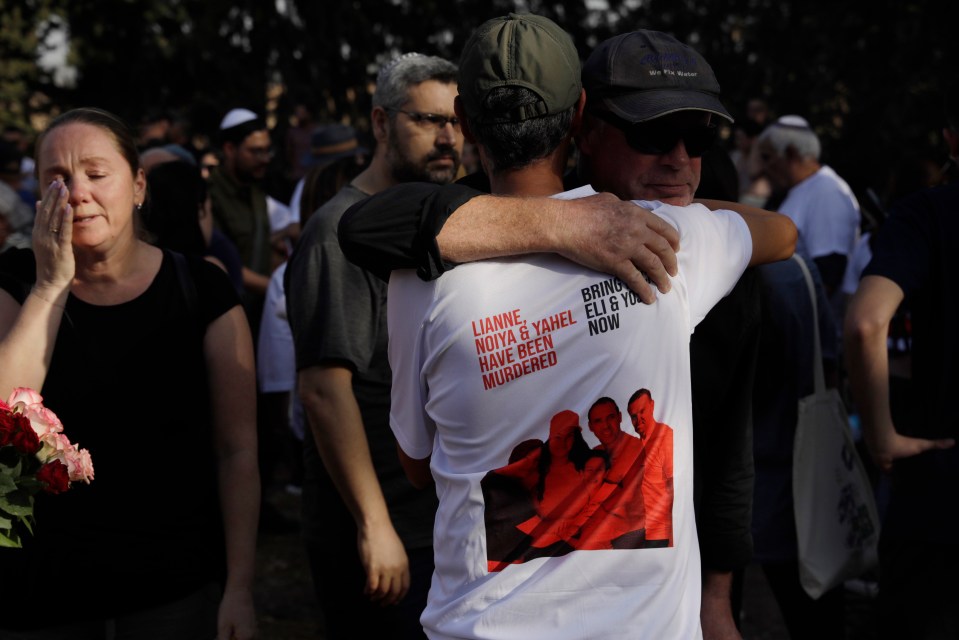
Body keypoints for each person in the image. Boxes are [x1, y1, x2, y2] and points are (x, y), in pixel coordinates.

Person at [339, 27, 766, 639]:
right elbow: (781, 233)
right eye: (651, 136)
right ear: (583, 120)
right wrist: (568, 223)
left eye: (698, 139)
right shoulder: (677, 241)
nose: (678, 159)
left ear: (463, 118)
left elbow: (416, 462)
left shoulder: (419, 277)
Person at [0, 107, 258, 639]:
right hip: (46, 598)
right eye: (56, 178)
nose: (76, 192)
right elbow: (5, 410)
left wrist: (239, 587)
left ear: (138, 185)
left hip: (176, 592)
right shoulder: (15, 282)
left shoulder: (200, 290)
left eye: (96, 174)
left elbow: (238, 451)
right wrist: (50, 287)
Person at [284, 52, 461, 639]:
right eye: (429, 120)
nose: (447, 138)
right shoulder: (339, 235)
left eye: (458, 123)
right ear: (382, 124)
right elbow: (323, 390)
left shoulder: (449, 224)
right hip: (378, 526)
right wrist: (374, 524)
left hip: (437, 518)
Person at [843, 79, 959, 640]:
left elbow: (866, 322)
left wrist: (881, 436)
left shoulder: (926, 215)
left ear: (951, 140)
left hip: (940, 496)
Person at [756, 115, 861, 309]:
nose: (764, 167)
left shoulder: (827, 192)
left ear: (791, 153)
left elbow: (829, 273)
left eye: (767, 157)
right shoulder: (802, 188)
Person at [627, 389, 675, 546]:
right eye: (634, 416)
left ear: (652, 406)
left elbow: (673, 488)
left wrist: (673, 539)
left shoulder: (665, 436)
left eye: (642, 411)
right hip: (638, 532)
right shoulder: (635, 446)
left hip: (659, 533)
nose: (639, 419)